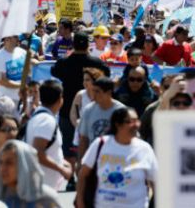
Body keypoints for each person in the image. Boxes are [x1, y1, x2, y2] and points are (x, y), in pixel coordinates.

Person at [76, 107, 158, 208]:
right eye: (129, 122)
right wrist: (80, 202)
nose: (135, 125)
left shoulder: (145, 149)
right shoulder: (101, 144)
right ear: (117, 124)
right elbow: (83, 175)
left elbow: (156, 182)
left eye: (136, 121)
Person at [51, 32, 110, 161]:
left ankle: (71, 175)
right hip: (93, 110)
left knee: (68, 146)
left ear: (73, 45)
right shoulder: (97, 63)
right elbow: (108, 73)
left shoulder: (64, 62)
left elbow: (54, 71)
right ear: (88, 45)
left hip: (67, 109)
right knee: (93, 146)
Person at [24, 79, 72, 191]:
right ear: (60, 99)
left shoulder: (40, 117)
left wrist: (63, 162)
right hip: (41, 187)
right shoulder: (46, 120)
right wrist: (61, 169)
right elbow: (37, 152)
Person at [0, 140, 62, 207]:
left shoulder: (46, 199)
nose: (3, 168)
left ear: (26, 165)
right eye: (1, 162)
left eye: (9, 163)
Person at [77, 76, 126, 160]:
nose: (94, 94)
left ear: (109, 93)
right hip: (93, 159)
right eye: (93, 91)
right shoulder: (88, 110)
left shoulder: (121, 111)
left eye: (97, 92)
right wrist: (80, 162)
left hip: (115, 159)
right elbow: (83, 139)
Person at [0, 36, 29, 103]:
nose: (17, 39)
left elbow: (28, 71)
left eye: (17, 37)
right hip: (6, 100)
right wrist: (22, 86)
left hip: (23, 97)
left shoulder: (22, 52)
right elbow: (2, 80)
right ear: (7, 39)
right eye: (15, 37)